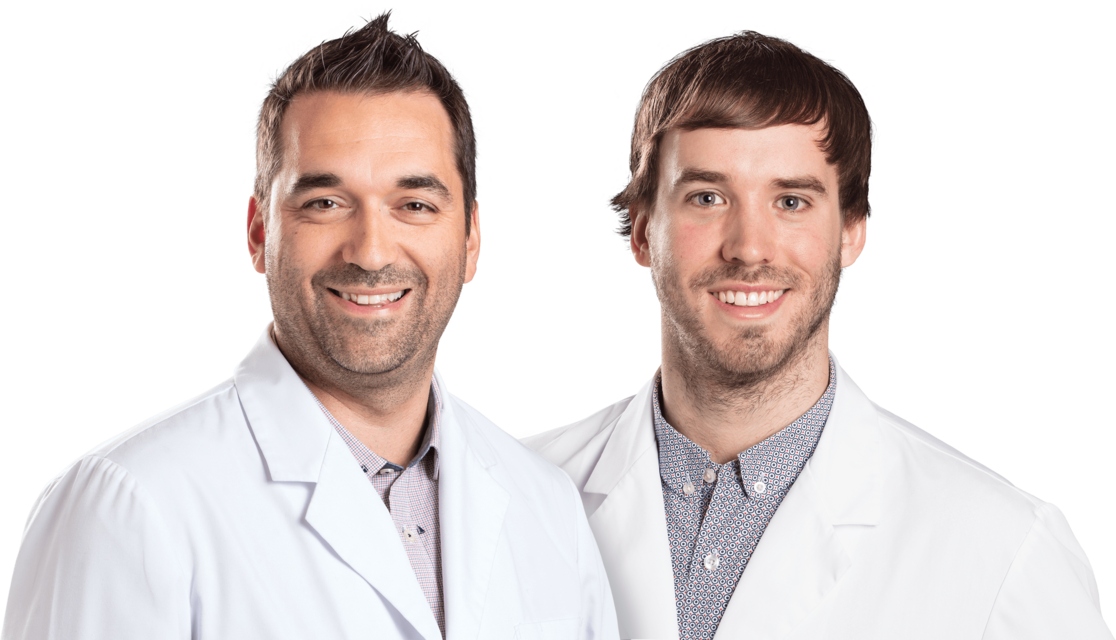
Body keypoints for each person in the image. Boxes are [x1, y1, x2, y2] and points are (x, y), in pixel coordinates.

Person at [3, 10, 618, 640]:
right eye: (325, 203)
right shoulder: (128, 506)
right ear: (258, 232)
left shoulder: (549, 507)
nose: (371, 252)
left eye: (414, 204)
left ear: (470, 240)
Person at [520, 29, 1111, 640]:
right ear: (644, 232)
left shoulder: (1004, 552)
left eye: (792, 202)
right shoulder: (511, 494)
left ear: (852, 231)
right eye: (707, 197)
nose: (749, 248)